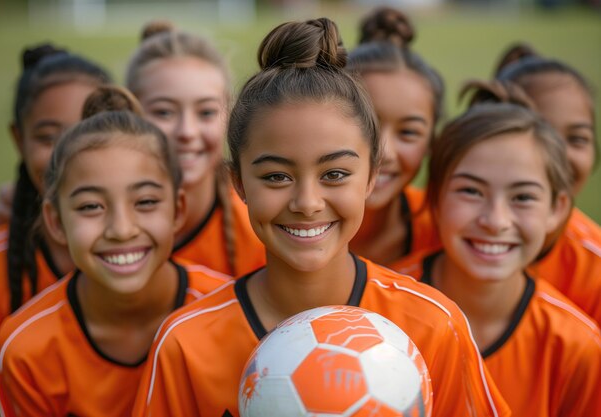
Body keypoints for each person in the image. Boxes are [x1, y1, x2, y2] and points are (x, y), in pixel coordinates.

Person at [132, 18, 511, 417]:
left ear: (372, 177)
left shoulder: (434, 327)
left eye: (334, 174)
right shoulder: (185, 344)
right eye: (276, 176)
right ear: (239, 183)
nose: (307, 202)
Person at [0, 85, 230, 417]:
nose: (121, 229)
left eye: (145, 202)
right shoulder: (25, 347)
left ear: (177, 210)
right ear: (56, 221)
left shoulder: (226, 313)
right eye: (91, 206)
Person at [393, 82, 601, 416]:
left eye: (523, 197)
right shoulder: (380, 311)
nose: (495, 221)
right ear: (435, 197)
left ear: (557, 209)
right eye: (471, 191)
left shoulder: (578, 349)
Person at [0, 44, 111, 416]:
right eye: (49, 137)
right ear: (18, 139)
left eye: (88, 132)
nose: (68, 154)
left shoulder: (161, 245)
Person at [125, 20, 265, 276]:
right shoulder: (104, 221)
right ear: (130, 114)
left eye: (206, 112)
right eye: (164, 112)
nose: (187, 132)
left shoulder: (259, 230)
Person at [494, 44, 601, 325]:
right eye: (540, 133)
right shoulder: (443, 226)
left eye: (577, 138)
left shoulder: (594, 265)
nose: (559, 154)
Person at [346, 6, 444, 267]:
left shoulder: (446, 232)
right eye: (367, 124)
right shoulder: (271, 220)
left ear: (431, 144)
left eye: (409, 132)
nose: (384, 151)